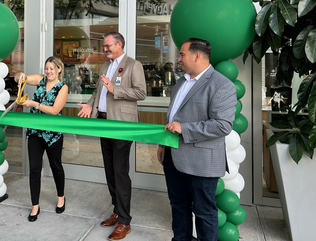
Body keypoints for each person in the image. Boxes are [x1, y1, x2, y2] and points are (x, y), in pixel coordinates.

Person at [157, 38, 237, 241]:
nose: (179, 59)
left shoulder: (221, 85)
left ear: (197, 56)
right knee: (178, 207)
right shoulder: (181, 82)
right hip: (172, 156)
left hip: (201, 162)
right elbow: (171, 117)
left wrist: (184, 128)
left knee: (204, 213)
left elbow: (222, 125)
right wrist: (162, 144)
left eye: (182, 54)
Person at [77, 32, 146, 241]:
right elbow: (98, 93)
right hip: (104, 123)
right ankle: (117, 210)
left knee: (120, 172)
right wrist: (89, 105)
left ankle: (125, 221)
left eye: (107, 46)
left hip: (122, 126)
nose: (104, 49)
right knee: (110, 171)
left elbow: (141, 93)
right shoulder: (105, 67)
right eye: (104, 46)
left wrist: (115, 89)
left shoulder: (134, 65)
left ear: (119, 44)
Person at [15, 56, 69, 222]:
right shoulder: (40, 80)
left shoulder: (63, 87)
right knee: (35, 169)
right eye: (47, 68)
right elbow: (23, 78)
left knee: (56, 166)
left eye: (52, 68)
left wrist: (35, 105)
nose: (49, 71)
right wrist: (20, 77)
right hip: (35, 132)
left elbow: (54, 110)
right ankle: (35, 206)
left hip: (53, 134)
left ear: (59, 69)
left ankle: (61, 197)